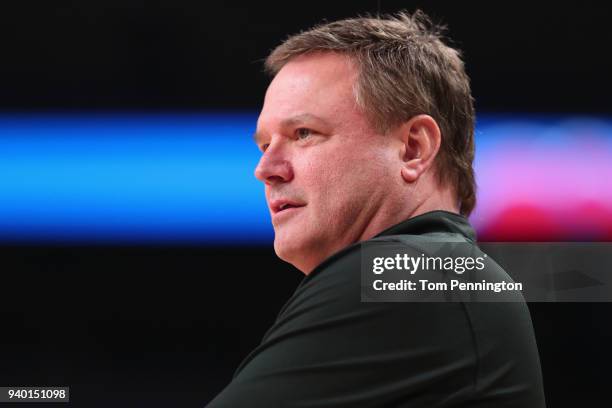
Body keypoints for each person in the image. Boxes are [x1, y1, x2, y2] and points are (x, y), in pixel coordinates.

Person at [207, 10, 545, 407]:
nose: (265, 169)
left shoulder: (409, 271)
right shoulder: (446, 275)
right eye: (265, 145)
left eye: (303, 134)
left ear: (413, 148)